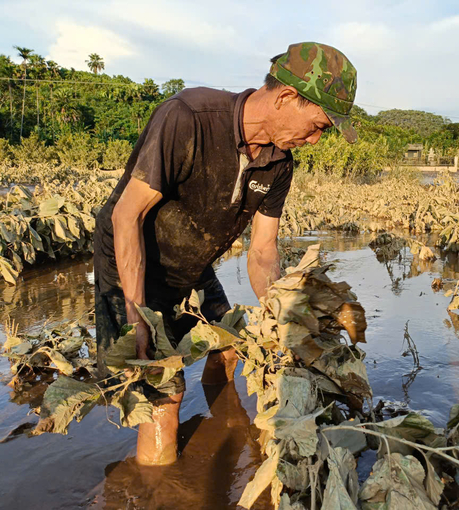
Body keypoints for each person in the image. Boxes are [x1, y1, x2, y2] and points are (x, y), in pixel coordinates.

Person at [93, 42, 358, 465]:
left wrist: (283, 323)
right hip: (132, 259)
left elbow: (264, 252)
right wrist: (136, 317)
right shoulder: (188, 118)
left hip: (193, 264)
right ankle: (155, 485)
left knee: (230, 345)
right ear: (287, 97)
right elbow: (127, 216)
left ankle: (226, 420)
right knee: (161, 394)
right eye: (317, 126)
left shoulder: (278, 163)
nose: (315, 139)